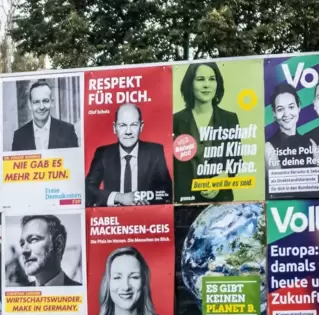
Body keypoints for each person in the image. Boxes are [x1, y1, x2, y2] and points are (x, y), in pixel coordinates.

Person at [173, 62, 240, 203]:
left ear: (218, 83)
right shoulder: (176, 120)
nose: (206, 85)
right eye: (200, 79)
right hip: (185, 201)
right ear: (190, 84)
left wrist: (222, 179)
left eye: (211, 79)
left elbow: (236, 160)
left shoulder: (229, 118)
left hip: (221, 200)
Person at [85, 103, 173, 207]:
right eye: (122, 125)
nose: (128, 132)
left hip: (146, 215)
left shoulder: (154, 152)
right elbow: (88, 189)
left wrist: (143, 199)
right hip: (113, 217)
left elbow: (167, 190)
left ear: (141, 126)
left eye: (134, 125)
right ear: (115, 128)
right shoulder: (103, 154)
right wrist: (120, 197)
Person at [91, 247, 173, 315]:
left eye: (134, 277)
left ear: (143, 283)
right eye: (117, 277)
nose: (126, 287)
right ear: (108, 284)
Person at [264, 82, 319, 199]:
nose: (287, 114)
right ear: (274, 113)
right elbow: (281, 187)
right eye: (280, 109)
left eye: (291, 107)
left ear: (299, 107)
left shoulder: (311, 143)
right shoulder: (268, 147)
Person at [11, 79, 79, 151]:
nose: (41, 107)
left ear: (51, 102)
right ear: (30, 105)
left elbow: (74, 160)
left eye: (45, 101)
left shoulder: (67, 131)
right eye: (36, 102)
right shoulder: (19, 136)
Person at [16, 215, 81, 287]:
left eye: (33, 239)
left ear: (58, 244)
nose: (24, 251)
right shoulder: (19, 294)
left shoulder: (82, 292)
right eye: (22, 244)